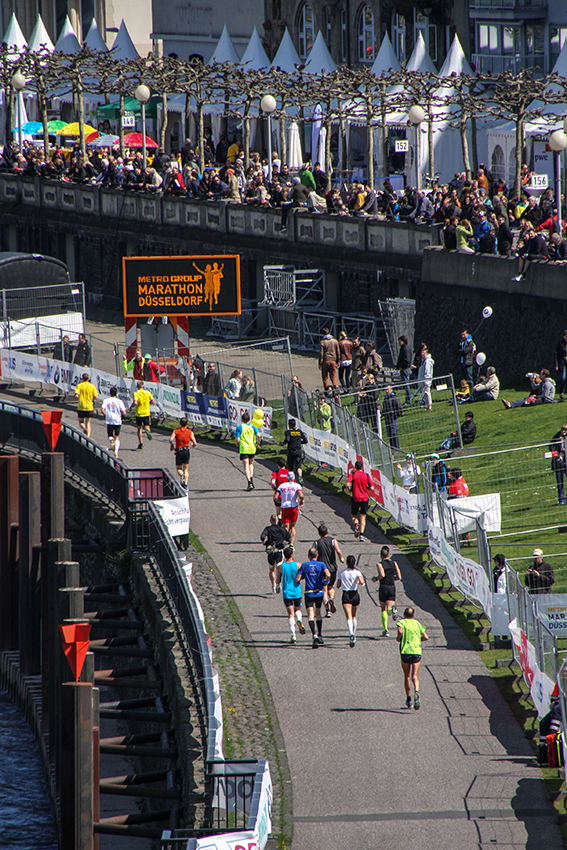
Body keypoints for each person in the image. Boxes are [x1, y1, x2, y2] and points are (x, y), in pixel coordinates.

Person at [296, 547, 330, 648]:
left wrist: (300, 577)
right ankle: (320, 634)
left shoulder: (305, 565)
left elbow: (297, 578)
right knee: (318, 613)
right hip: (319, 592)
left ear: (308, 556)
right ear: (317, 555)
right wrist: (326, 580)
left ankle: (314, 634)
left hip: (309, 593)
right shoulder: (322, 564)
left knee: (310, 615)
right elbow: (328, 574)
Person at [397, 606, 429, 709]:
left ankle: (409, 699)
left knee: (407, 676)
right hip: (416, 652)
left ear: (404, 614)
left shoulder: (402, 622)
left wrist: (399, 638)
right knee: (415, 676)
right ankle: (417, 692)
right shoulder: (417, 623)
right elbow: (426, 637)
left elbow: (400, 631)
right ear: (413, 615)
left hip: (405, 651)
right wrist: (419, 640)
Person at [314, 523, 345, 618]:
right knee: (331, 587)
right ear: (327, 532)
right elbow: (338, 550)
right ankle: (331, 598)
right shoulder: (333, 540)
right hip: (332, 568)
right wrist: (341, 558)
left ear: (319, 533)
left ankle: (327, 610)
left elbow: (312, 552)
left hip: (322, 569)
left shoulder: (316, 543)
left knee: (324, 590)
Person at [372, 545, 402, 637]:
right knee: (389, 607)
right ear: (388, 554)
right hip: (392, 586)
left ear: (381, 555)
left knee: (383, 608)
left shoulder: (380, 564)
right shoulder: (394, 563)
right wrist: (394, 579)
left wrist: (376, 578)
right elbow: (399, 576)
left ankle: (385, 630)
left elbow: (382, 574)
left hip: (383, 586)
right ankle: (392, 610)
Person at [278, 546, 305, 642]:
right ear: (292, 554)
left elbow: (278, 580)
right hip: (296, 591)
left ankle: (293, 634)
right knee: (298, 609)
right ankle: (300, 620)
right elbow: (303, 576)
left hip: (286, 592)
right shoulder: (298, 565)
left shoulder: (281, 567)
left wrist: (277, 586)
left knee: (290, 614)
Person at [337, 555, 365, 647]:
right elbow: (362, 581)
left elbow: (337, 585)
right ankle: (354, 634)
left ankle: (351, 634)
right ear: (354, 563)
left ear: (347, 563)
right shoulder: (357, 572)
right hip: (355, 594)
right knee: (354, 616)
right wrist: (358, 581)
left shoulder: (342, 573)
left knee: (348, 616)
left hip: (346, 595)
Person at [261, 514, 291, 594]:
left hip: (271, 551)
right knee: (279, 568)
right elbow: (289, 538)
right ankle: (278, 583)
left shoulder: (268, 529)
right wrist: (285, 543)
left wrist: (264, 542)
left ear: (270, 521)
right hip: (279, 551)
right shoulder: (282, 529)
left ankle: (273, 585)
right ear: (278, 521)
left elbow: (262, 536)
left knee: (271, 569)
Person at [346, 459, 374, 541]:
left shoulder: (353, 474)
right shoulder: (366, 475)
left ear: (355, 467)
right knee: (363, 517)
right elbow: (372, 488)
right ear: (362, 467)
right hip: (364, 498)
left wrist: (350, 489)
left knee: (354, 515)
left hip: (355, 498)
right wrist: (366, 487)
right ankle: (361, 535)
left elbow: (347, 484)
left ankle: (356, 524)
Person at [276, 471, 304, 545]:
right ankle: (291, 543)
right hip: (293, 507)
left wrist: (281, 501)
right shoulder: (297, 485)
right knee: (293, 526)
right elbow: (301, 495)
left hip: (285, 507)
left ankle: (285, 539)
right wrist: (301, 500)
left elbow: (275, 497)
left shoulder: (282, 486)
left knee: (285, 526)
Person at [169, 417, 197, 489]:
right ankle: (185, 485)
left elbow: (171, 439)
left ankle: (182, 475)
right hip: (186, 451)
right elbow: (195, 443)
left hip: (179, 451)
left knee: (179, 468)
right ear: (187, 423)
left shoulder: (176, 431)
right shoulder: (190, 432)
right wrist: (193, 445)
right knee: (186, 469)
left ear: (180, 423)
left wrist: (172, 446)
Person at [235, 410, 260, 490]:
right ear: (249, 419)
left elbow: (238, 439)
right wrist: (258, 443)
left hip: (244, 448)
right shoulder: (253, 426)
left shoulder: (240, 427)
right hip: (252, 448)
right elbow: (259, 435)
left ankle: (249, 482)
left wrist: (237, 444)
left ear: (242, 419)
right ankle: (251, 478)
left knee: (246, 467)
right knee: (251, 464)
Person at [101, 386, 126, 457]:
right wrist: (123, 414)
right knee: (117, 436)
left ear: (110, 393)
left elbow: (102, 409)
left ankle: (111, 440)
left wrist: (105, 414)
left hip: (109, 420)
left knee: (110, 435)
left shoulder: (106, 400)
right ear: (116, 393)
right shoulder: (119, 401)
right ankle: (116, 453)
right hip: (117, 420)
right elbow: (124, 411)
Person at [282, 418, 308, 483]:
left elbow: (287, 440)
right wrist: (299, 442)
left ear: (290, 425)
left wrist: (282, 443)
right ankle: (300, 476)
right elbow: (305, 440)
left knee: (291, 467)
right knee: (298, 467)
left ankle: (291, 480)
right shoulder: (299, 432)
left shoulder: (288, 432)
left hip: (291, 451)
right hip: (298, 451)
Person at [130, 380, 154, 449]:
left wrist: (131, 407)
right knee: (147, 426)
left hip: (139, 413)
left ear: (137, 387)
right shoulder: (148, 392)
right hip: (146, 412)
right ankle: (147, 432)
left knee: (139, 428)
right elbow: (153, 401)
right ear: (143, 386)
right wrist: (149, 403)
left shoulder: (136, 393)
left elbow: (135, 402)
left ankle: (141, 443)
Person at [75, 372, 98, 438]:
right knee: (88, 423)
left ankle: (84, 428)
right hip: (89, 407)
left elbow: (77, 395)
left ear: (82, 378)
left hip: (81, 407)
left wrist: (78, 395)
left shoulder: (79, 386)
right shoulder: (92, 386)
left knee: (81, 422)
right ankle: (88, 437)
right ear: (88, 379)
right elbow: (96, 397)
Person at [550, 423, 567, 505]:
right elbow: (550, 446)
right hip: (558, 462)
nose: (564, 431)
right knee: (560, 481)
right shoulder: (556, 437)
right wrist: (555, 454)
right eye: (563, 429)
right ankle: (562, 499)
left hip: (566, 461)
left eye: (566, 430)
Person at [381, 384, 403, 450]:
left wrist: (394, 415)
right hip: (387, 418)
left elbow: (399, 408)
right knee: (389, 433)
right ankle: (392, 448)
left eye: (388, 389)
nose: (387, 391)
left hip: (392, 418)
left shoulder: (394, 398)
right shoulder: (385, 399)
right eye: (386, 390)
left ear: (391, 389)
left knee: (393, 432)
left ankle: (396, 447)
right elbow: (384, 408)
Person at [396, 335, 412, 402]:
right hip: (403, 368)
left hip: (405, 369)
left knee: (406, 384)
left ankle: (409, 399)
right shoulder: (403, 348)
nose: (399, 343)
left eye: (400, 341)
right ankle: (407, 398)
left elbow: (407, 360)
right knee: (405, 385)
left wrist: (401, 365)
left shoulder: (405, 349)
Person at [417, 345, 434, 410]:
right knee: (423, 393)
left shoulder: (428, 361)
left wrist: (426, 381)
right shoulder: (423, 360)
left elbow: (427, 371)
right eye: (422, 353)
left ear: (427, 353)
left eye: (424, 353)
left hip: (426, 380)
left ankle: (429, 405)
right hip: (421, 379)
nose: (422, 354)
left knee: (427, 392)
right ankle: (426, 405)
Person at [554, 329, 567, 400]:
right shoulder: (560, 344)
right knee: (563, 377)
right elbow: (556, 354)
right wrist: (556, 365)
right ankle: (561, 391)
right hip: (562, 363)